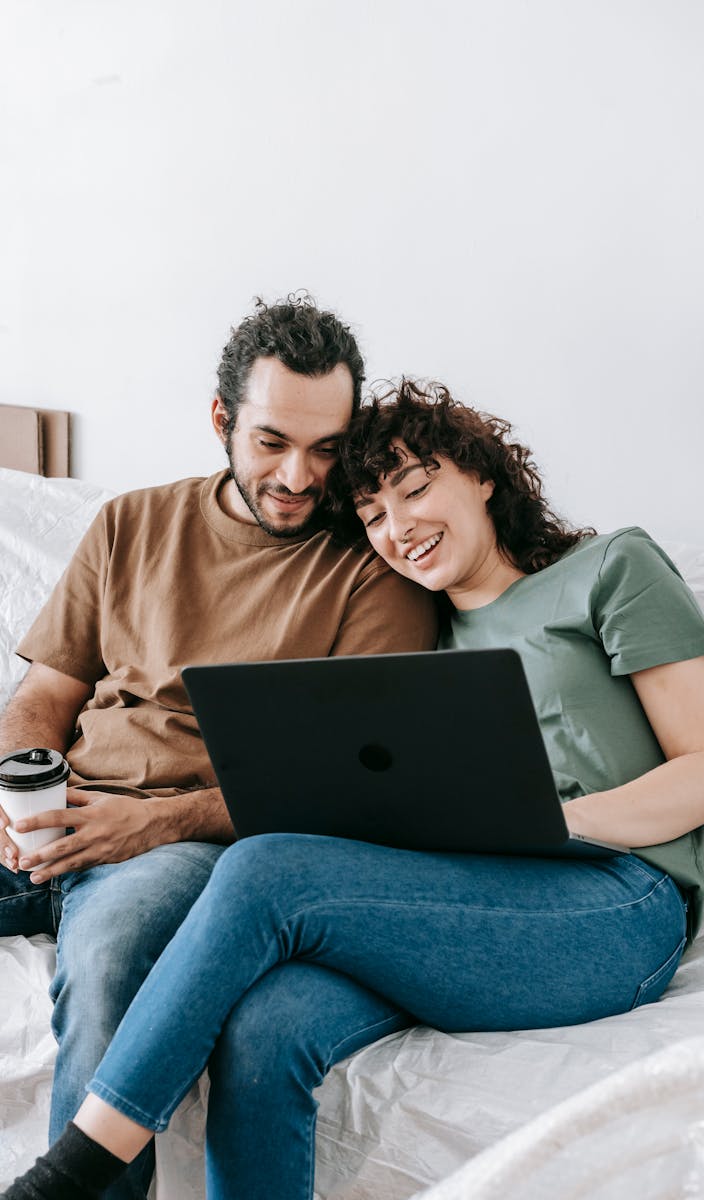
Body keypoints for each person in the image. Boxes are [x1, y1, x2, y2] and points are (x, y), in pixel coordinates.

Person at [2, 379, 704, 1200]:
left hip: (616, 903)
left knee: (265, 867)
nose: (401, 528)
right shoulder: (412, 645)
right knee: (262, 1027)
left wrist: (543, 820)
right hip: (463, 895)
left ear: (482, 473)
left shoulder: (612, 569)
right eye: (374, 515)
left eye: (417, 488)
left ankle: (73, 1173)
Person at [0, 309, 437, 1200]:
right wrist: (16, 791)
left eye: (327, 449)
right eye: (273, 440)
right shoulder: (132, 524)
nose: (298, 476)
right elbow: (45, 695)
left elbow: (340, 788)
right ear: (220, 420)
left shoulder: (372, 574)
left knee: (111, 961)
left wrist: (147, 826)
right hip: (60, 809)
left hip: (192, 843)